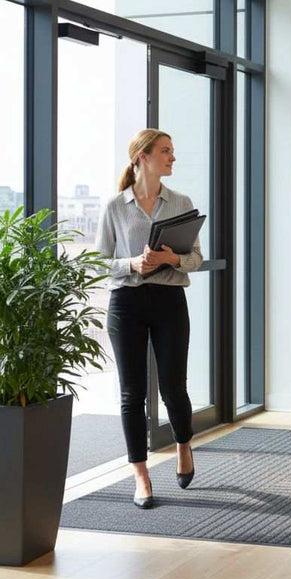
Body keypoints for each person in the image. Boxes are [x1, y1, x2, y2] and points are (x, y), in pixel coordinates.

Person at [95, 129, 201, 509]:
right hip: (126, 304)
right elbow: (98, 262)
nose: (173, 158)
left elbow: (196, 258)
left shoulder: (182, 202)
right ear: (142, 157)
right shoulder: (114, 207)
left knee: (174, 386)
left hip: (170, 300)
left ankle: (183, 446)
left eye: (172, 151)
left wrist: (172, 259)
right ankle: (141, 476)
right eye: (166, 151)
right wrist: (132, 264)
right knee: (131, 393)